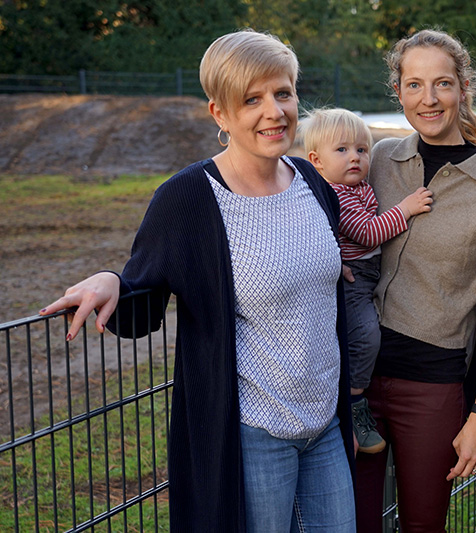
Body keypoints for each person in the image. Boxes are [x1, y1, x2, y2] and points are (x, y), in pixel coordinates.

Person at [40, 29, 356, 533]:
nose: (274, 111)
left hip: (326, 426)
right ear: (220, 114)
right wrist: (109, 279)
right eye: (251, 99)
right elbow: (143, 291)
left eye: (283, 93)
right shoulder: (190, 198)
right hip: (251, 434)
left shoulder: (312, 182)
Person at [354, 30, 476, 533]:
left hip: (431, 389)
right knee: (349, 521)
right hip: (353, 383)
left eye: (441, 84)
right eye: (414, 85)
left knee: (423, 524)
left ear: (463, 88)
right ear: (398, 91)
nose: (428, 99)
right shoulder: (377, 162)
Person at [301, 108, 432, 454]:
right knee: (365, 338)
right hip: (353, 280)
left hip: (368, 275)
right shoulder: (337, 194)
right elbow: (368, 233)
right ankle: (355, 400)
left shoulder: (357, 188)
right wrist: (406, 208)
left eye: (362, 149)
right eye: (342, 150)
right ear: (316, 160)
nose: (355, 157)